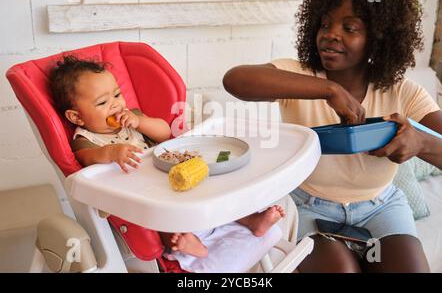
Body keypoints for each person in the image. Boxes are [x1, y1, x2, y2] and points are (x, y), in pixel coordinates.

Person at [223, 0, 442, 273]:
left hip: (381, 206)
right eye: (325, 24)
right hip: (308, 205)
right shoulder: (299, 76)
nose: (331, 34)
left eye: (350, 27)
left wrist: (422, 143)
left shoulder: (403, 92)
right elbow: (235, 80)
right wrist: (330, 90)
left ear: (378, 37)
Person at [49, 55, 285, 271]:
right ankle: (181, 243)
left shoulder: (131, 117)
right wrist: (111, 152)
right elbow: (85, 159)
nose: (115, 105)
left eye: (118, 95)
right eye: (102, 103)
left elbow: (163, 132)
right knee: (158, 215)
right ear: (76, 116)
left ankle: (250, 219)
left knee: (214, 186)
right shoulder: (85, 139)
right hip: (139, 193)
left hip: (167, 174)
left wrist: (139, 122)